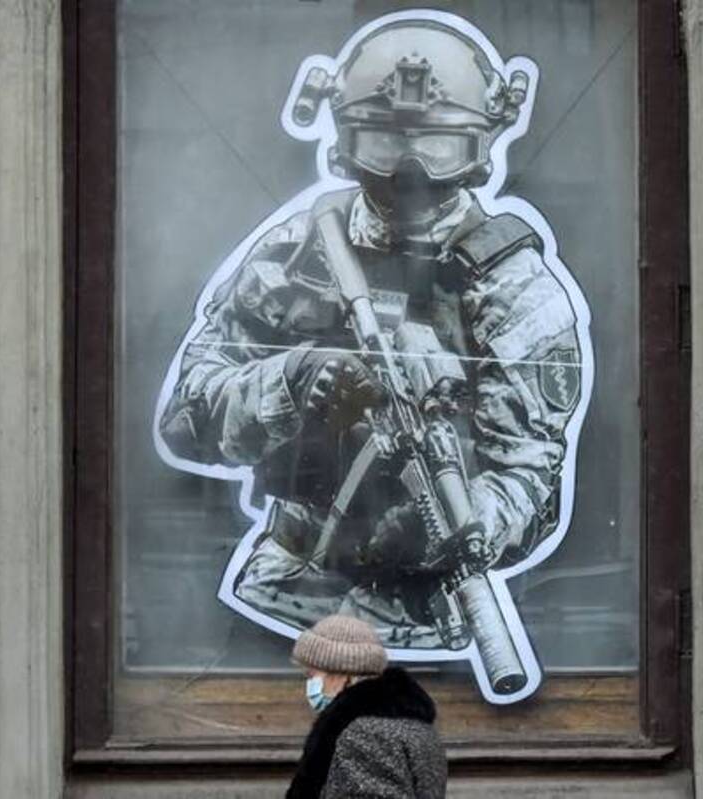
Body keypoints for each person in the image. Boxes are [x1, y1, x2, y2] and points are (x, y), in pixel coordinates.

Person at [158, 18, 584, 655]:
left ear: (478, 145)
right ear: (345, 140)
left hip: (429, 621)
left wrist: (459, 526)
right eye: (382, 144)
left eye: (438, 147)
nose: (408, 171)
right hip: (281, 596)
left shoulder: (512, 284)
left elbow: (529, 471)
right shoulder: (300, 250)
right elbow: (185, 418)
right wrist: (293, 379)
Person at [286, 614, 447, 799]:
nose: (309, 684)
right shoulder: (417, 727)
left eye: (311, 675)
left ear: (341, 674)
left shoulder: (364, 734)